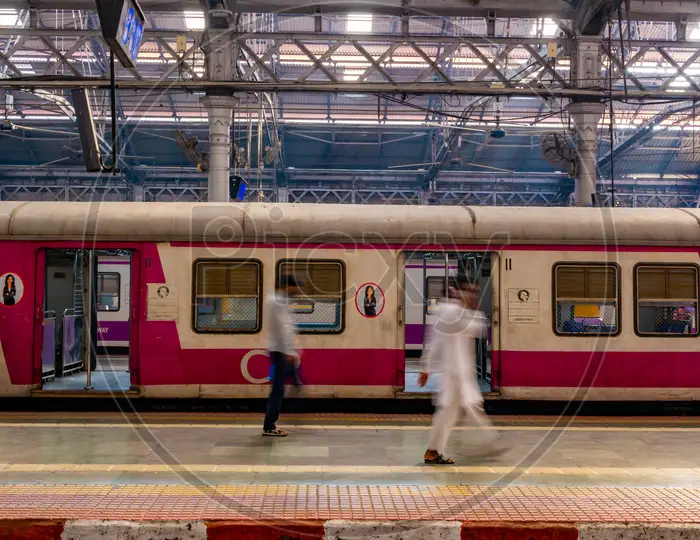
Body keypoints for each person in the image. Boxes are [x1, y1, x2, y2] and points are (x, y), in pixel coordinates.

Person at [418, 276, 497, 464]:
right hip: (456, 373)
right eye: (470, 291)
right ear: (458, 291)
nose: (472, 295)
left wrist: (426, 366)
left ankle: (434, 451)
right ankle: (489, 443)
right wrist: (474, 309)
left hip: (457, 372)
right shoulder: (453, 311)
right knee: (465, 408)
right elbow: (477, 329)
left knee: (453, 412)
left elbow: (434, 341)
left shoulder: (450, 311)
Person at [262, 275, 304, 437]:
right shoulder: (278, 301)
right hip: (280, 350)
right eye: (294, 288)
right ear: (287, 286)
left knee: (279, 388)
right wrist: (291, 351)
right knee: (278, 389)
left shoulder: (274, 299)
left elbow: (284, 326)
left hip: (278, 348)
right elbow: (283, 327)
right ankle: (269, 426)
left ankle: (296, 382)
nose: (295, 292)